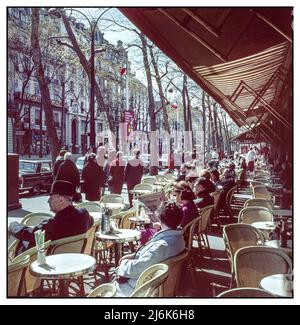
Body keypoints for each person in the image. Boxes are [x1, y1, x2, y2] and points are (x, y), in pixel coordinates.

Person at [113, 201, 185, 297]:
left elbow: (138, 268)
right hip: (158, 283)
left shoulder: (161, 246)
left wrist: (123, 264)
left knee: (107, 289)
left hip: (140, 289)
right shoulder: (178, 238)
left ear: (160, 219)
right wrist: (134, 255)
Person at [8, 180, 94, 255]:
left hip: (53, 262)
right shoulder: (84, 213)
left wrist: (12, 225)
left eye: (51, 198)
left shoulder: (54, 224)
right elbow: (91, 221)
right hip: (74, 260)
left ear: (61, 200)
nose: (48, 201)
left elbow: (28, 234)